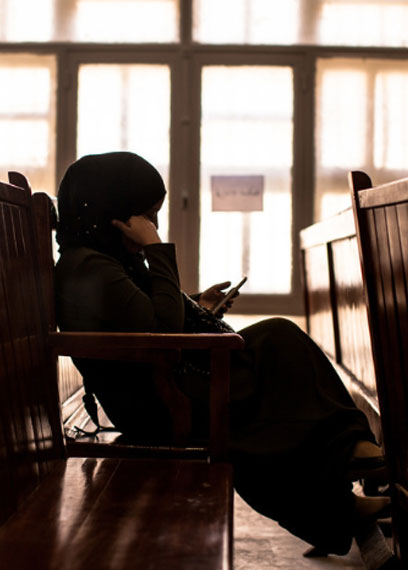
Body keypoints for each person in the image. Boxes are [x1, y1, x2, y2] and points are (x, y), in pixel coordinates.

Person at [54, 151, 389, 555]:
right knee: (278, 348)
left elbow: (144, 317)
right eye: (146, 215)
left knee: (274, 373)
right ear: (114, 212)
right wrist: (158, 250)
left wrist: (197, 305)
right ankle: (346, 457)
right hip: (157, 402)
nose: (152, 225)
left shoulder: (98, 261)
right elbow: (162, 331)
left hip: (159, 384)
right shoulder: (92, 269)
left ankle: (337, 495)